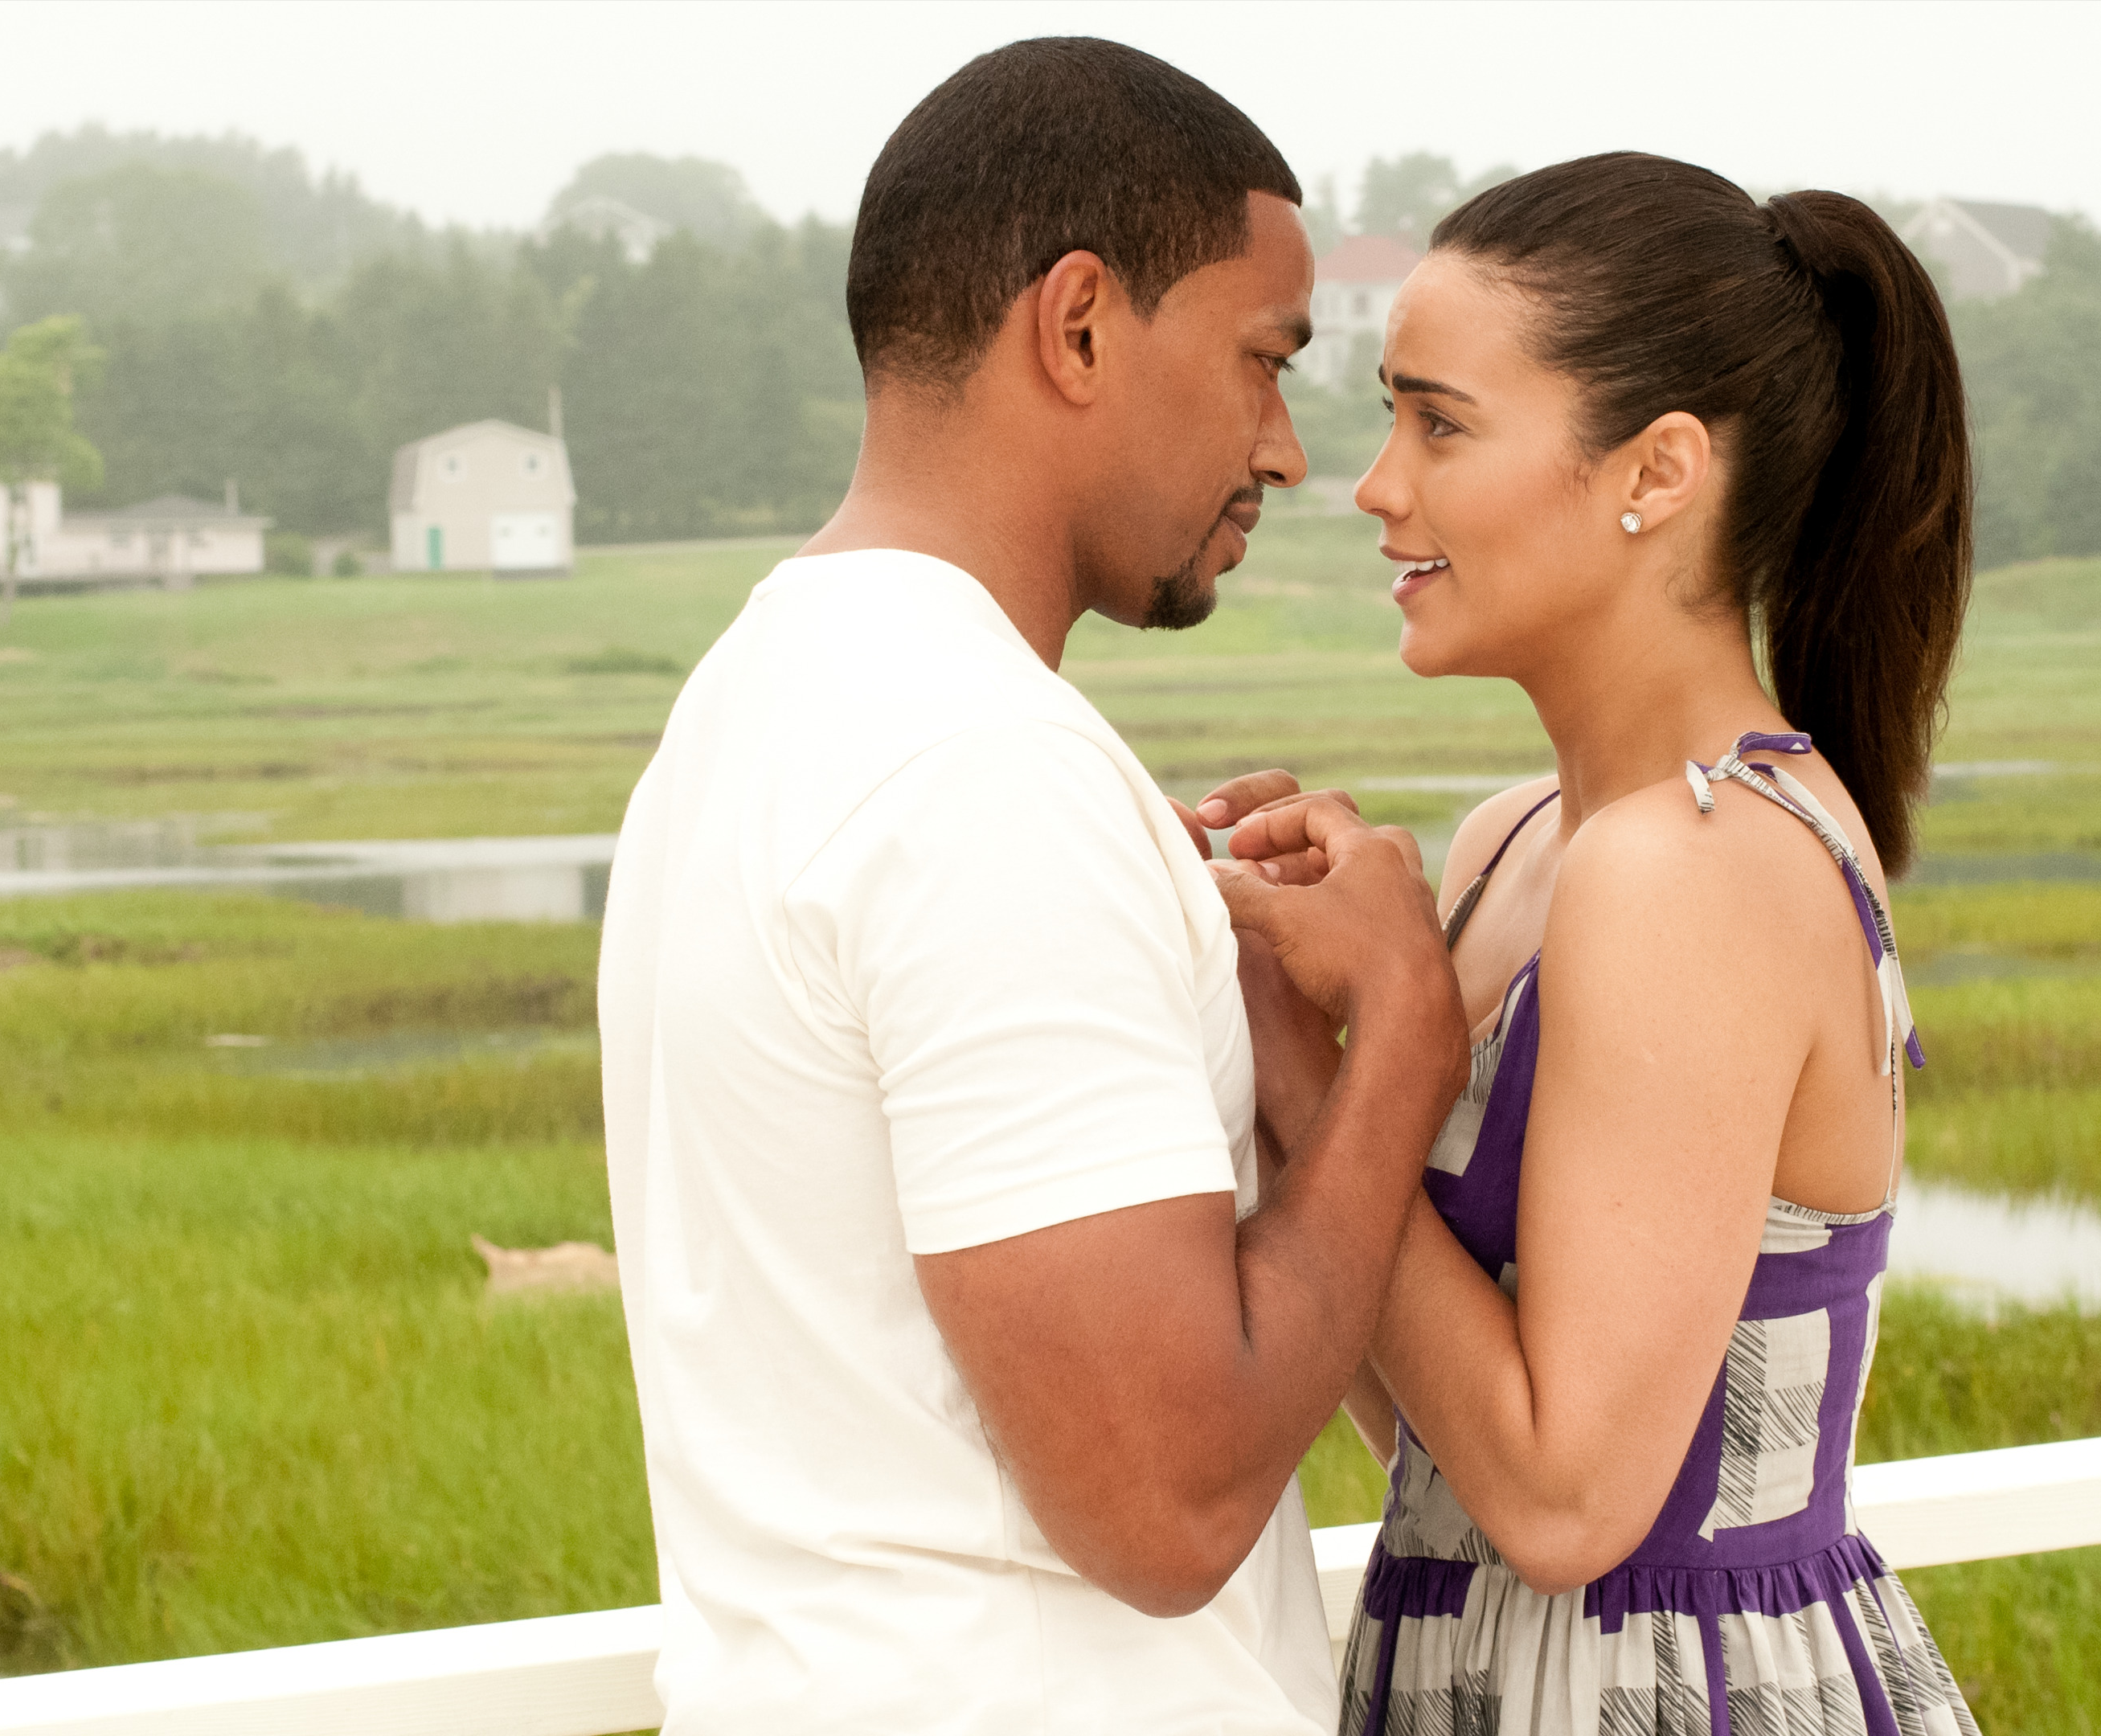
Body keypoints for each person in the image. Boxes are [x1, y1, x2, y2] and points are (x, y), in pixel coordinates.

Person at [597, 37, 1468, 1736]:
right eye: (1262, 362)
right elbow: (1164, 1507)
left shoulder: (749, 706)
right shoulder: (979, 770)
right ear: (1077, 326)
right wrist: (1408, 1046)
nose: (1287, 454)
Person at [1198, 152, 1983, 1735]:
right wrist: (1308, 1003)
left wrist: (1309, 1063)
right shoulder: (1522, 844)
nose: (1374, 484)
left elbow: (1564, 1507)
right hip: (1492, 1670)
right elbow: (1435, 1432)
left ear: (1658, 469)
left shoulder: (1690, 867)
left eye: (1441, 422)